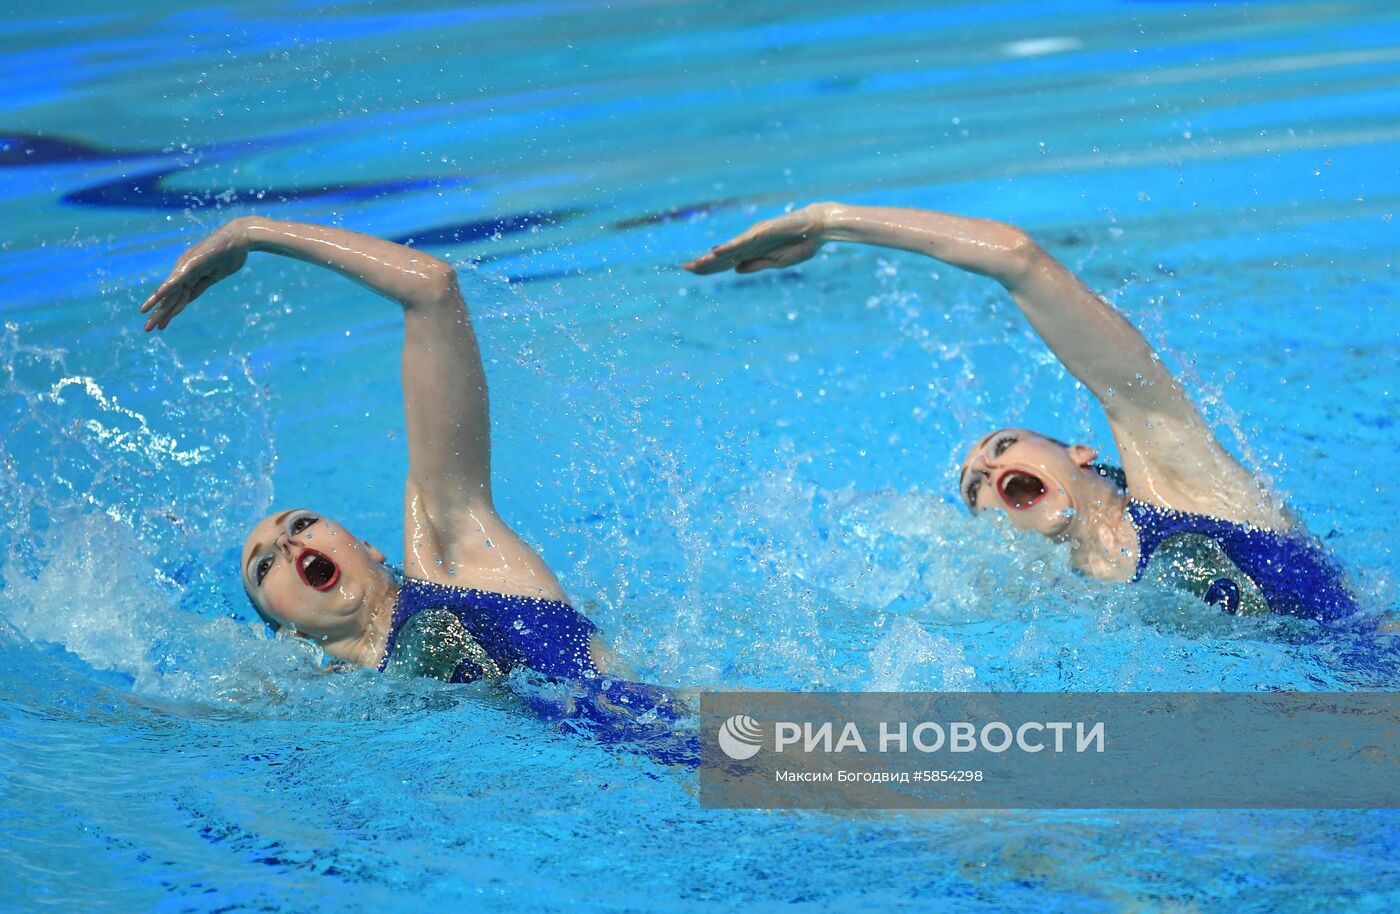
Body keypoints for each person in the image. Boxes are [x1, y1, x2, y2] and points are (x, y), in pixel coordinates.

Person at [140, 217, 690, 751]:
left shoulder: (462, 563)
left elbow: (431, 287)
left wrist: (252, 233)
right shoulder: (333, 708)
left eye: (302, 523)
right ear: (292, 637)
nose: (288, 545)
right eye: (265, 568)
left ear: (367, 546)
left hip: (733, 749)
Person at [685, 203, 1359, 623]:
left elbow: (1020, 260)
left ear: (1080, 454)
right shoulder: (1072, 607)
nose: (988, 470)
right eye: (974, 486)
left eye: (1003, 445)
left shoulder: (1187, 487)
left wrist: (830, 221)